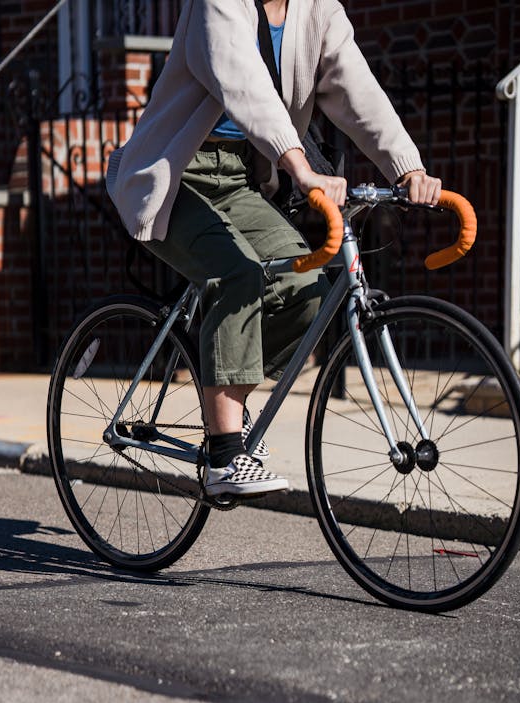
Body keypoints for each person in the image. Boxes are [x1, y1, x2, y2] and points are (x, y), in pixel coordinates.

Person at [107, 0, 441, 496]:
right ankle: (223, 456)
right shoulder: (217, 3)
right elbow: (244, 83)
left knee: (311, 288)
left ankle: (227, 403)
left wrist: (406, 167)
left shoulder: (319, 11)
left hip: (240, 178)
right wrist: (300, 166)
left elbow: (358, 90)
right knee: (236, 273)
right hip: (177, 174)